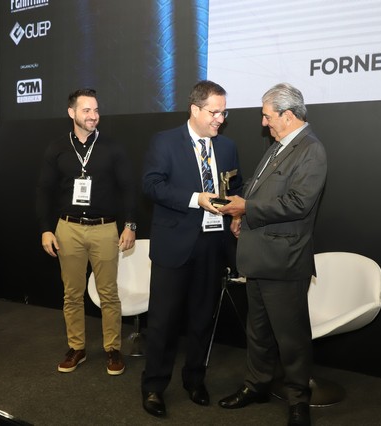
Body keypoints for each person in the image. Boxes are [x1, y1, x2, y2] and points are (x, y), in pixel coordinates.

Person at [217, 83, 327, 426]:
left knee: (291, 339)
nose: (264, 123)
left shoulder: (311, 150)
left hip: (284, 261)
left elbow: (298, 203)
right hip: (259, 256)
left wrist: (246, 207)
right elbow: (257, 188)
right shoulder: (279, 147)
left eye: (267, 116)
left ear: (288, 115)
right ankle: (256, 385)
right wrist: (241, 213)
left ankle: (298, 402)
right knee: (258, 332)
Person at [140, 80, 242, 417]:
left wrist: (236, 214)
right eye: (214, 112)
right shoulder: (165, 141)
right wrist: (196, 198)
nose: (220, 119)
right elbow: (152, 185)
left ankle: (195, 379)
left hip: (213, 246)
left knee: (202, 319)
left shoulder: (227, 147)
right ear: (195, 109)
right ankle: (154, 386)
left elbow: (237, 187)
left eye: (223, 113)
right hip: (174, 247)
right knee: (163, 322)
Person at [36, 88, 137, 376]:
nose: (93, 115)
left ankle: (113, 348)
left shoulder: (113, 148)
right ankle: (76, 347)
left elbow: (129, 188)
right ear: (72, 113)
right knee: (72, 294)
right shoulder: (57, 147)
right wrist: (45, 229)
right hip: (67, 229)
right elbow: (43, 190)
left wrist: (130, 225)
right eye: (86, 110)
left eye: (96, 110)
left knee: (109, 293)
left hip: (105, 228)